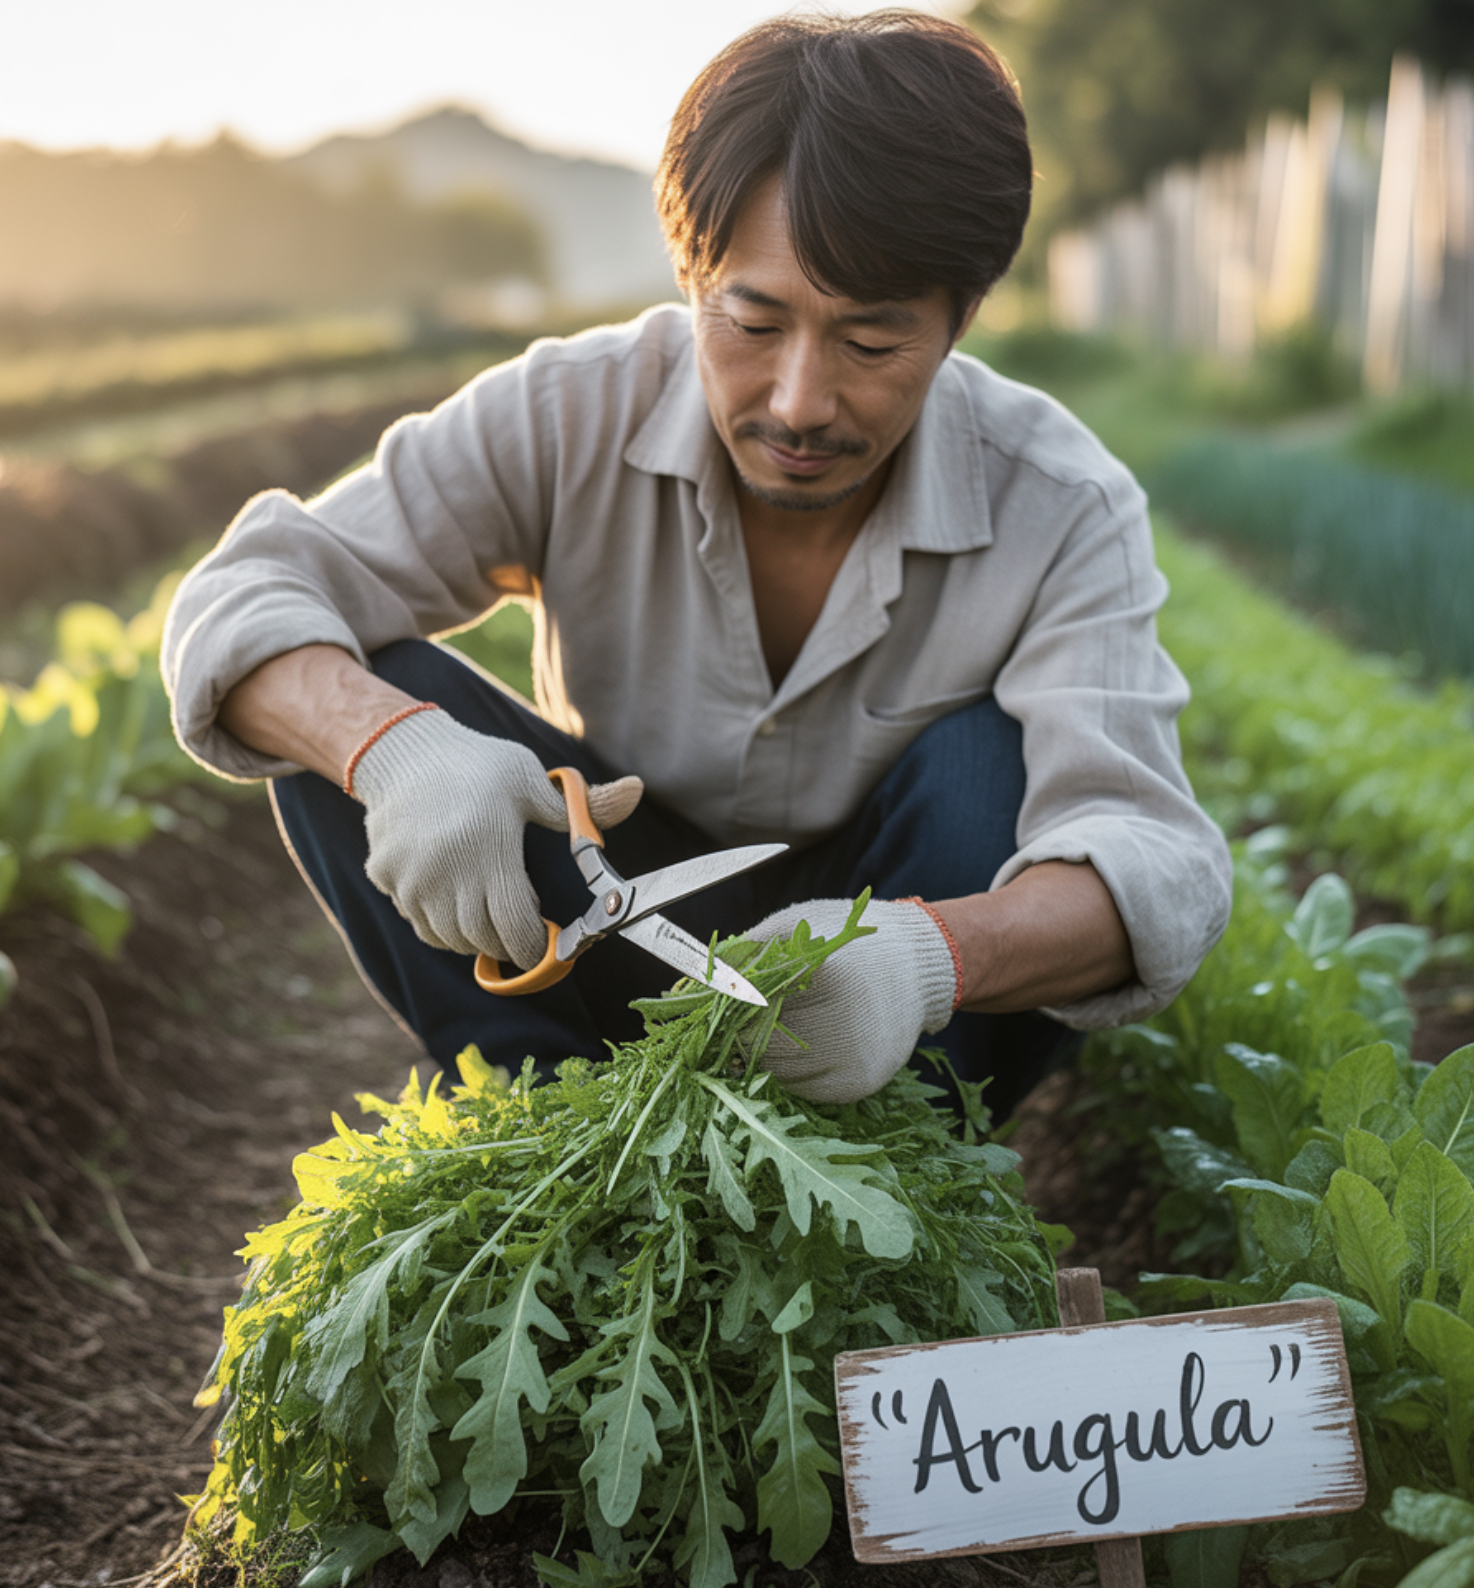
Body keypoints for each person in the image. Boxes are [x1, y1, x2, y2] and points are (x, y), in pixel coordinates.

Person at [161, 9, 1232, 1122]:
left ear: (963, 317)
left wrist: (927, 955)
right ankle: (535, 1133)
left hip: (878, 996)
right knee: (375, 689)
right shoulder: (567, 412)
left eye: (871, 343)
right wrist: (390, 749)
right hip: (604, 930)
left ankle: (897, 1170)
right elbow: (245, 591)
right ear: (688, 274)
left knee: (985, 767)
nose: (800, 402)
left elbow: (1156, 864)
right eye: (753, 323)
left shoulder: (1060, 500)